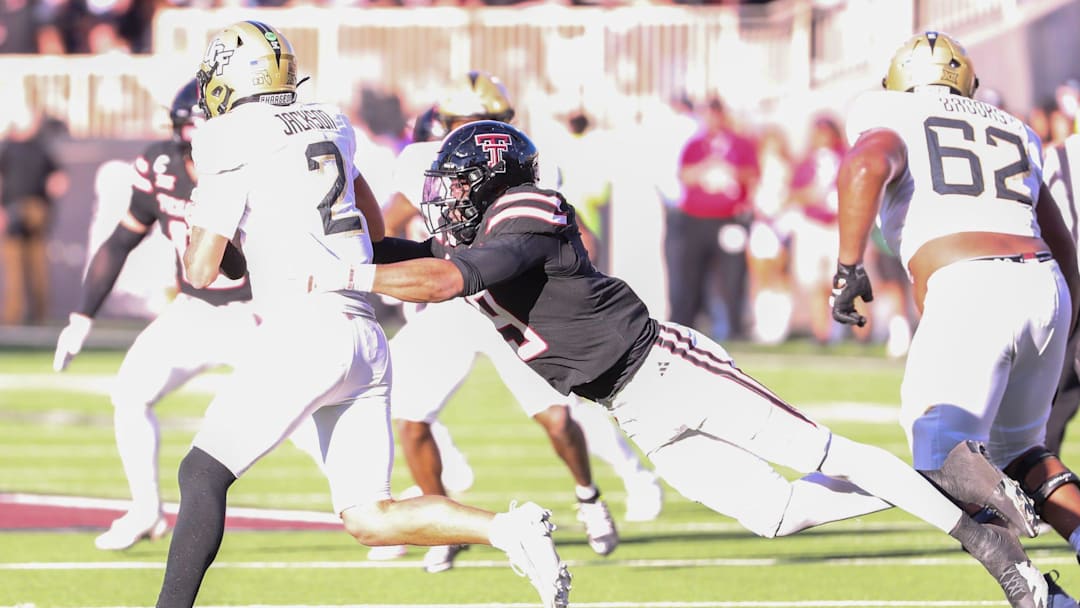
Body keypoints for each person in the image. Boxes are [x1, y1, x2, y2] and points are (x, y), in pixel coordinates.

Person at [310, 117, 1063, 608]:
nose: (442, 203)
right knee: (779, 513)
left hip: (667, 366)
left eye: (454, 187)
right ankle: (941, 482)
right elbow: (396, 250)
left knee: (822, 453)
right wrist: (311, 247)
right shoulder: (481, 227)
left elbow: (444, 278)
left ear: (493, 182)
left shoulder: (529, 211)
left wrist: (341, 276)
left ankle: (997, 555)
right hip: (631, 406)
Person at [154, 21, 570, 608]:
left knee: (202, 475)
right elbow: (372, 230)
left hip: (305, 328)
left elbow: (201, 271)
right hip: (365, 335)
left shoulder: (227, 136)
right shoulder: (329, 120)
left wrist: (212, 224)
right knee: (370, 517)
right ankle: (510, 529)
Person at [371, 70, 662, 572]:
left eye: (493, 122)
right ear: (444, 122)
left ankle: (588, 495)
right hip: (450, 301)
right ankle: (443, 525)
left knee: (555, 415)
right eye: (467, 122)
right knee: (411, 419)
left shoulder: (528, 162)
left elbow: (571, 233)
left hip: (509, 301)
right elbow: (392, 220)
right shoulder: (423, 160)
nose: (479, 134)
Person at [830, 30, 1080, 600]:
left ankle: (1033, 591)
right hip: (1044, 282)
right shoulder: (1013, 126)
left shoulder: (886, 111)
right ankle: (1015, 506)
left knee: (940, 458)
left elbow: (865, 167)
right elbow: (1057, 232)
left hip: (971, 284)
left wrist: (848, 266)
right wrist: (1068, 308)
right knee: (1026, 452)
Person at [664, 97, 758, 340]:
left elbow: (752, 174)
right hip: (696, 219)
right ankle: (685, 328)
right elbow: (684, 175)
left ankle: (735, 328)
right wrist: (706, 168)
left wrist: (730, 172)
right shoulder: (695, 145)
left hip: (729, 220)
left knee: (732, 276)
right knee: (690, 275)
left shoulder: (740, 144)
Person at [0, 104, 66, 325]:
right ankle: (24, 316)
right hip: (23, 208)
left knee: (28, 264)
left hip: (29, 208)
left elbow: (58, 180)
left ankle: (28, 316)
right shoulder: (15, 148)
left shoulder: (32, 148)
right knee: (22, 264)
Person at [1043, 130, 1080, 454]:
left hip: (1071, 278)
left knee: (1049, 403)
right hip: (1070, 275)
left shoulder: (1064, 153)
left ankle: (1038, 492)